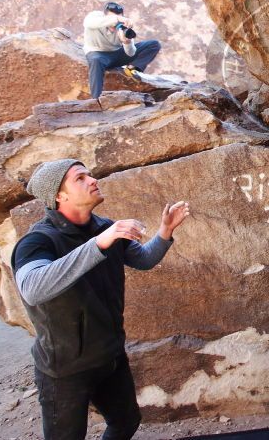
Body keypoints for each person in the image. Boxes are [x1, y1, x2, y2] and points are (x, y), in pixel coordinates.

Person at [11, 159, 190, 440]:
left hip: (110, 356)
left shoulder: (104, 227)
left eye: (90, 174)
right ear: (59, 195)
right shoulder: (38, 242)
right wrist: (97, 244)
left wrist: (164, 231)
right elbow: (33, 288)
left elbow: (142, 259)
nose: (93, 180)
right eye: (80, 178)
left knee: (126, 422)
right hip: (64, 369)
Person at [83, 1, 162, 99]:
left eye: (118, 19)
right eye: (113, 18)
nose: (115, 24)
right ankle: (96, 99)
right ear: (105, 16)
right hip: (98, 53)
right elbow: (89, 23)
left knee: (154, 44)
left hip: (117, 54)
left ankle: (131, 69)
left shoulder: (122, 28)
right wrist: (116, 19)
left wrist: (126, 42)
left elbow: (131, 53)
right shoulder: (95, 16)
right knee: (96, 60)